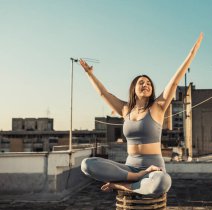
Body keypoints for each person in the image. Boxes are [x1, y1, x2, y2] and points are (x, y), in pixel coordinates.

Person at [80, 33, 203, 196]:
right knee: (87, 164)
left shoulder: (158, 107)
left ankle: (127, 186)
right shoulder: (125, 110)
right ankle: (135, 179)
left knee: (162, 182)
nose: (146, 85)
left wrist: (192, 53)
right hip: (129, 168)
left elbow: (174, 81)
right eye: (141, 83)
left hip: (153, 168)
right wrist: (90, 74)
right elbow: (104, 93)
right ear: (134, 89)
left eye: (149, 83)